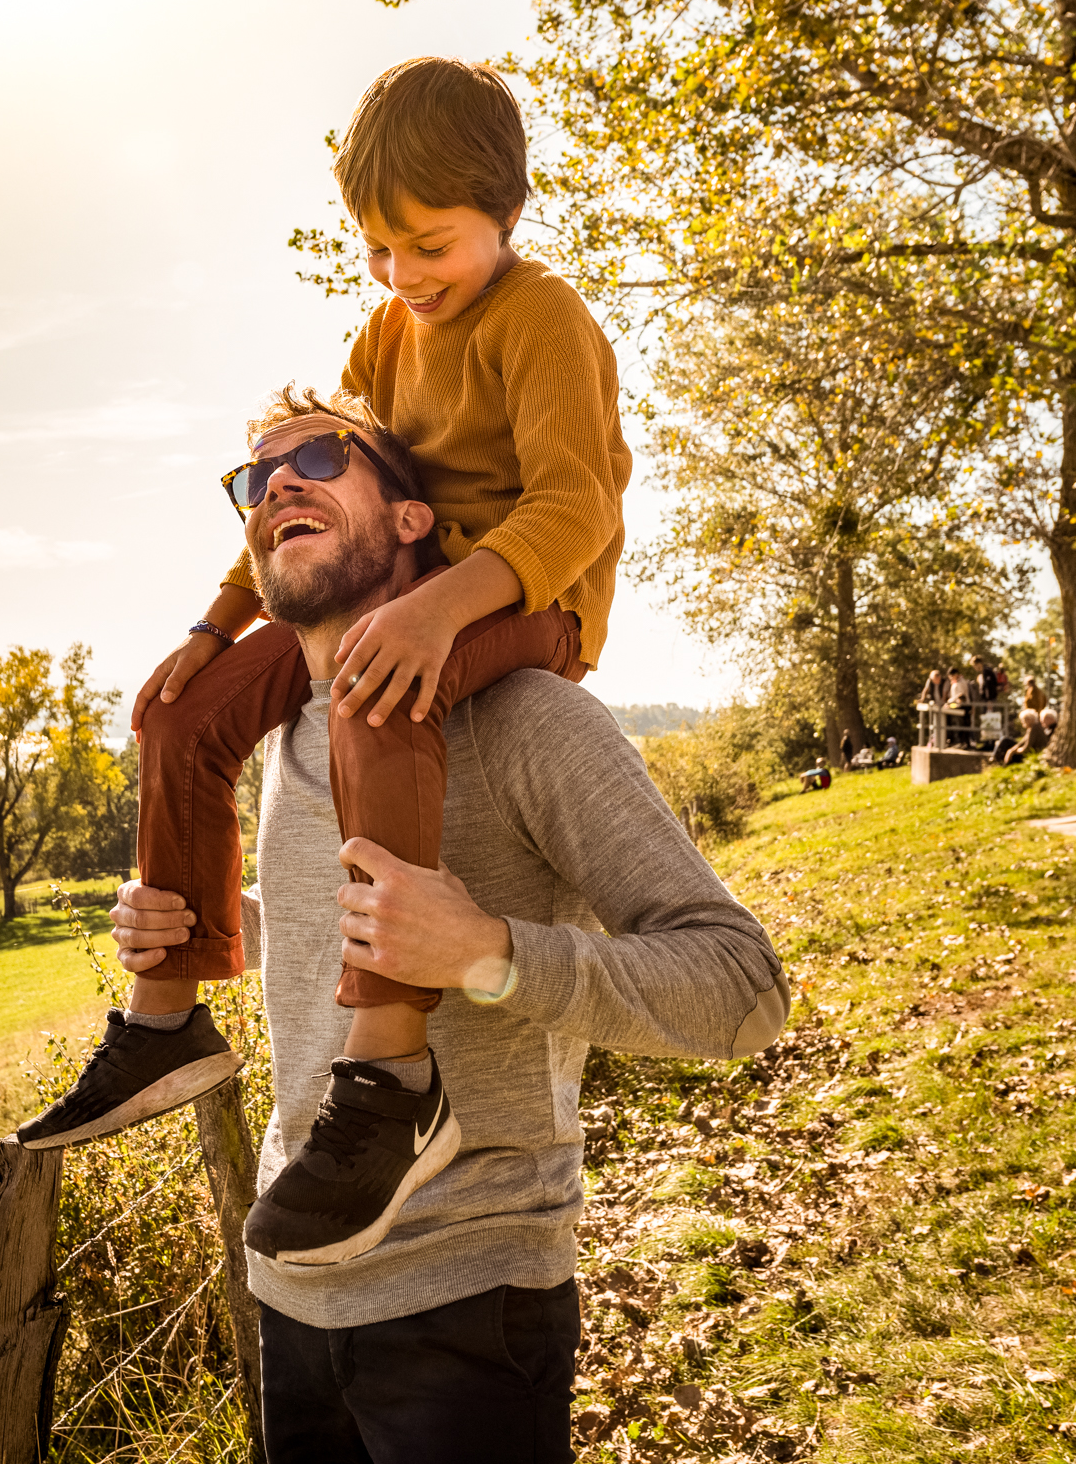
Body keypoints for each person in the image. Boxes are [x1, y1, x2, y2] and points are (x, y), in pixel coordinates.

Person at [18, 59, 635, 1268]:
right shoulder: (387, 330)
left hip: (529, 599)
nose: (405, 276)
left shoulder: (543, 318)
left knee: (367, 676)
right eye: (379, 251)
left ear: (506, 212)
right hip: (397, 584)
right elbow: (326, 491)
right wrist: (210, 625)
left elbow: (579, 507)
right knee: (183, 714)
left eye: (431, 246)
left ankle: (394, 1067)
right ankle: (168, 1018)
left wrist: (435, 612)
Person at [103, 421, 789, 1458]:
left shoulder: (526, 719)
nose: (278, 480)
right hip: (290, 1280)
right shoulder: (286, 736)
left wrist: (485, 953)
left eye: (323, 459)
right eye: (254, 477)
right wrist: (208, 926)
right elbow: (333, 921)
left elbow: (742, 989)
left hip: (467, 1299)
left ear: (415, 520)